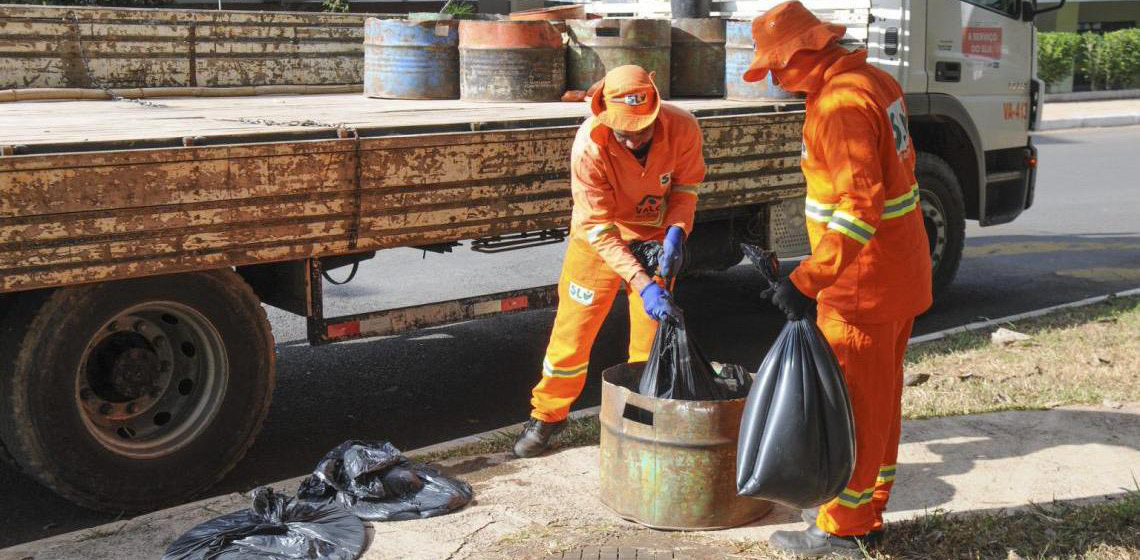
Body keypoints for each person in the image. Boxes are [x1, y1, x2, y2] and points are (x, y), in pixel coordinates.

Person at [742, 2, 933, 556]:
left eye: (777, 66)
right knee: (878, 402)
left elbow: (858, 207)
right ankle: (866, 512)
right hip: (894, 274)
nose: (774, 78)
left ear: (808, 52)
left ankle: (843, 530)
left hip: (861, 285)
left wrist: (808, 280)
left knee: (850, 406)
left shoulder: (839, 104)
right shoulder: (875, 81)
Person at [512, 65, 706, 458]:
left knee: (652, 340)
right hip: (597, 240)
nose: (633, 140)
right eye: (624, 131)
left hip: (654, 236)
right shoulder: (590, 145)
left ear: (656, 110)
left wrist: (676, 231)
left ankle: (642, 415)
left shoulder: (683, 127)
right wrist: (642, 282)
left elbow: (685, 187)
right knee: (573, 332)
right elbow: (600, 228)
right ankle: (548, 416)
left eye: (642, 129)